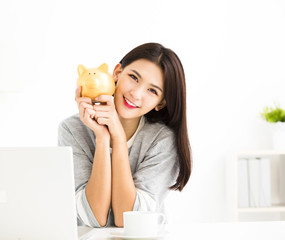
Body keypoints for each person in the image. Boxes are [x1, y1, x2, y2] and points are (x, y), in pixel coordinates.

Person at [58, 42, 192, 228]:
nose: (136, 94)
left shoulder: (162, 140)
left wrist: (119, 139)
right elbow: (93, 218)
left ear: (160, 103)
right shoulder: (72, 129)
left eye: (152, 91)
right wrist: (103, 138)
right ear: (117, 72)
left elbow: (127, 219)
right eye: (133, 77)